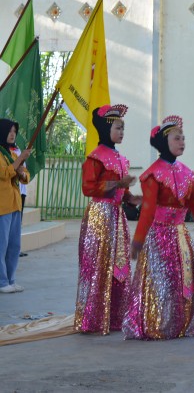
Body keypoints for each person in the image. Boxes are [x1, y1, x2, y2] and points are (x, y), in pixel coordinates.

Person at [123, 115, 194, 340]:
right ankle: (160, 324)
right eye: (176, 138)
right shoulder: (153, 175)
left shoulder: (187, 173)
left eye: (183, 138)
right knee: (164, 281)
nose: (182, 142)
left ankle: (188, 324)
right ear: (164, 142)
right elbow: (148, 210)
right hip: (159, 236)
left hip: (181, 236)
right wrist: (138, 241)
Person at [75, 105, 140, 334]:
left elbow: (124, 193)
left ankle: (114, 317)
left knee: (118, 267)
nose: (122, 132)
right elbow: (88, 188)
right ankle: (93, 320)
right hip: (100, 216)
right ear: (105, 129)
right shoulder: (95, 158)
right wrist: (117, 184)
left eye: (123, 128)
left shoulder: (121, 159)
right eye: (117, 128)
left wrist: (134, 198)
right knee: (98, 267)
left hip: (117, 217)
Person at [0, 119, 31, 293]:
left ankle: (11, 279)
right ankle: (2, 282)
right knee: (1, 245)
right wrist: (20, 160)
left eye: (14, 131)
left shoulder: (11, 153)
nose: (12, 134)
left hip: (15, 204)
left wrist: (21, 173)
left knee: (14, 245)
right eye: (9, 131)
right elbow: (4, 173)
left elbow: (25, 175)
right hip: (2, 205)